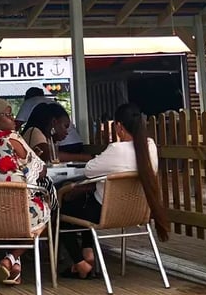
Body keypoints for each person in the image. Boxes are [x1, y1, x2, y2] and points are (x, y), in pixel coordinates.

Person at [58, 102, 170, 279]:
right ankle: (88, 254)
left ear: (118, 126)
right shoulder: (150, 146)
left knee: (61, 211)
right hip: (137, 212)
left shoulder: (116, 149)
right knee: (86, 202)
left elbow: (89, 170)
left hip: (105, 212)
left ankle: (80, 264)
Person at [0, 97, 50, 286]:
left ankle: (14, 270)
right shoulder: (11, 138)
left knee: (18, 214)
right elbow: (40, 168)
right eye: (9, 115)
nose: (13, 119)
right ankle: (11, 258)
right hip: (18, 211)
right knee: (45, 208)